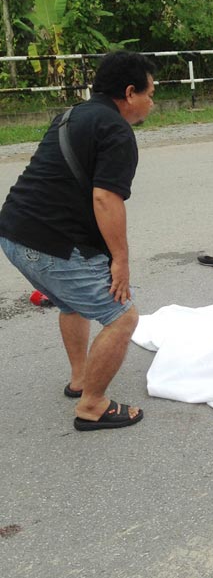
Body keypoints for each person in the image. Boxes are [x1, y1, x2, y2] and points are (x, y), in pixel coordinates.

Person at [0, 51, 156, 431]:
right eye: (151, 93)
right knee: (123, 317)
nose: (154, 102)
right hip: (50, 245)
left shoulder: (71, 115)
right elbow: (106, 198)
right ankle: (92, 406)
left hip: (14, 233)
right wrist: (120, 260)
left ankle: (80, 379)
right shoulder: (117, 131)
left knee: (72, 303)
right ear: (130, 92)